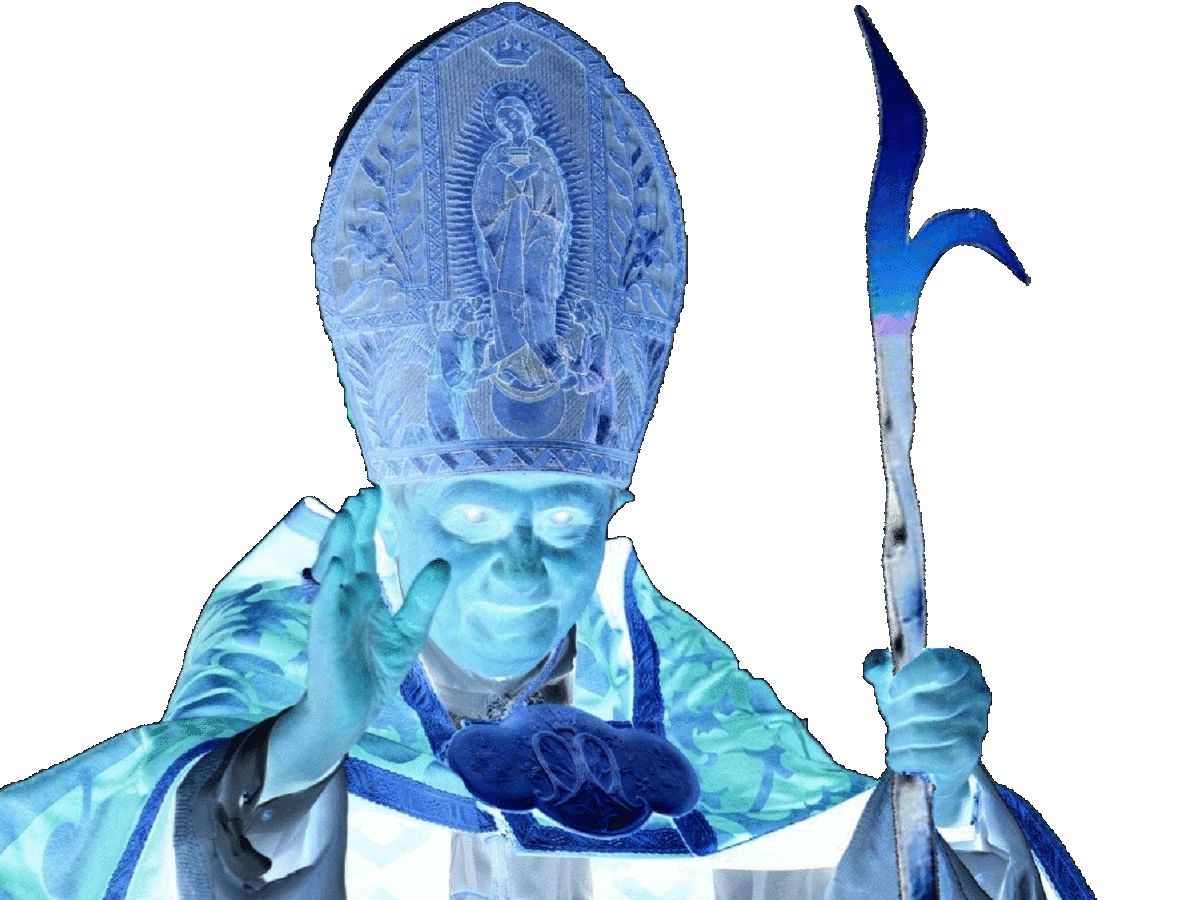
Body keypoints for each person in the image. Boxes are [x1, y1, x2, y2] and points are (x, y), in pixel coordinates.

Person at [0, 6, 1096, 899]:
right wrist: (315, 736)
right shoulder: (292, 625)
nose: (526, 568)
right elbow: (132, 845)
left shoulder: (664, 672)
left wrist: (941, 792)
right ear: (395, 503)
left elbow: (835, 873)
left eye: (567, 519)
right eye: (476, 517)